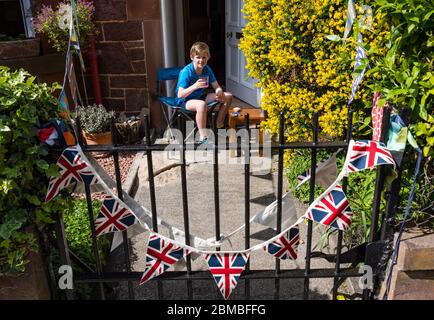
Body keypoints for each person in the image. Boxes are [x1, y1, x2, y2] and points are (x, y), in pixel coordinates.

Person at [176, 42, 233, 144]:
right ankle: (203, 137)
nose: (201, 60)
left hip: (199, 96)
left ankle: (218, 124)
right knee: (201, 105)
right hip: (185, 100)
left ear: (208, 57)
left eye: (204, 57)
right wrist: (195, 86)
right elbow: (180, 94)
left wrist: (219, 91)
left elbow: (216, 86)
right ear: (192, 57)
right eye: (198, 57)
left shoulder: (207, 69)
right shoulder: (187, 71)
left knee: (228, 96)